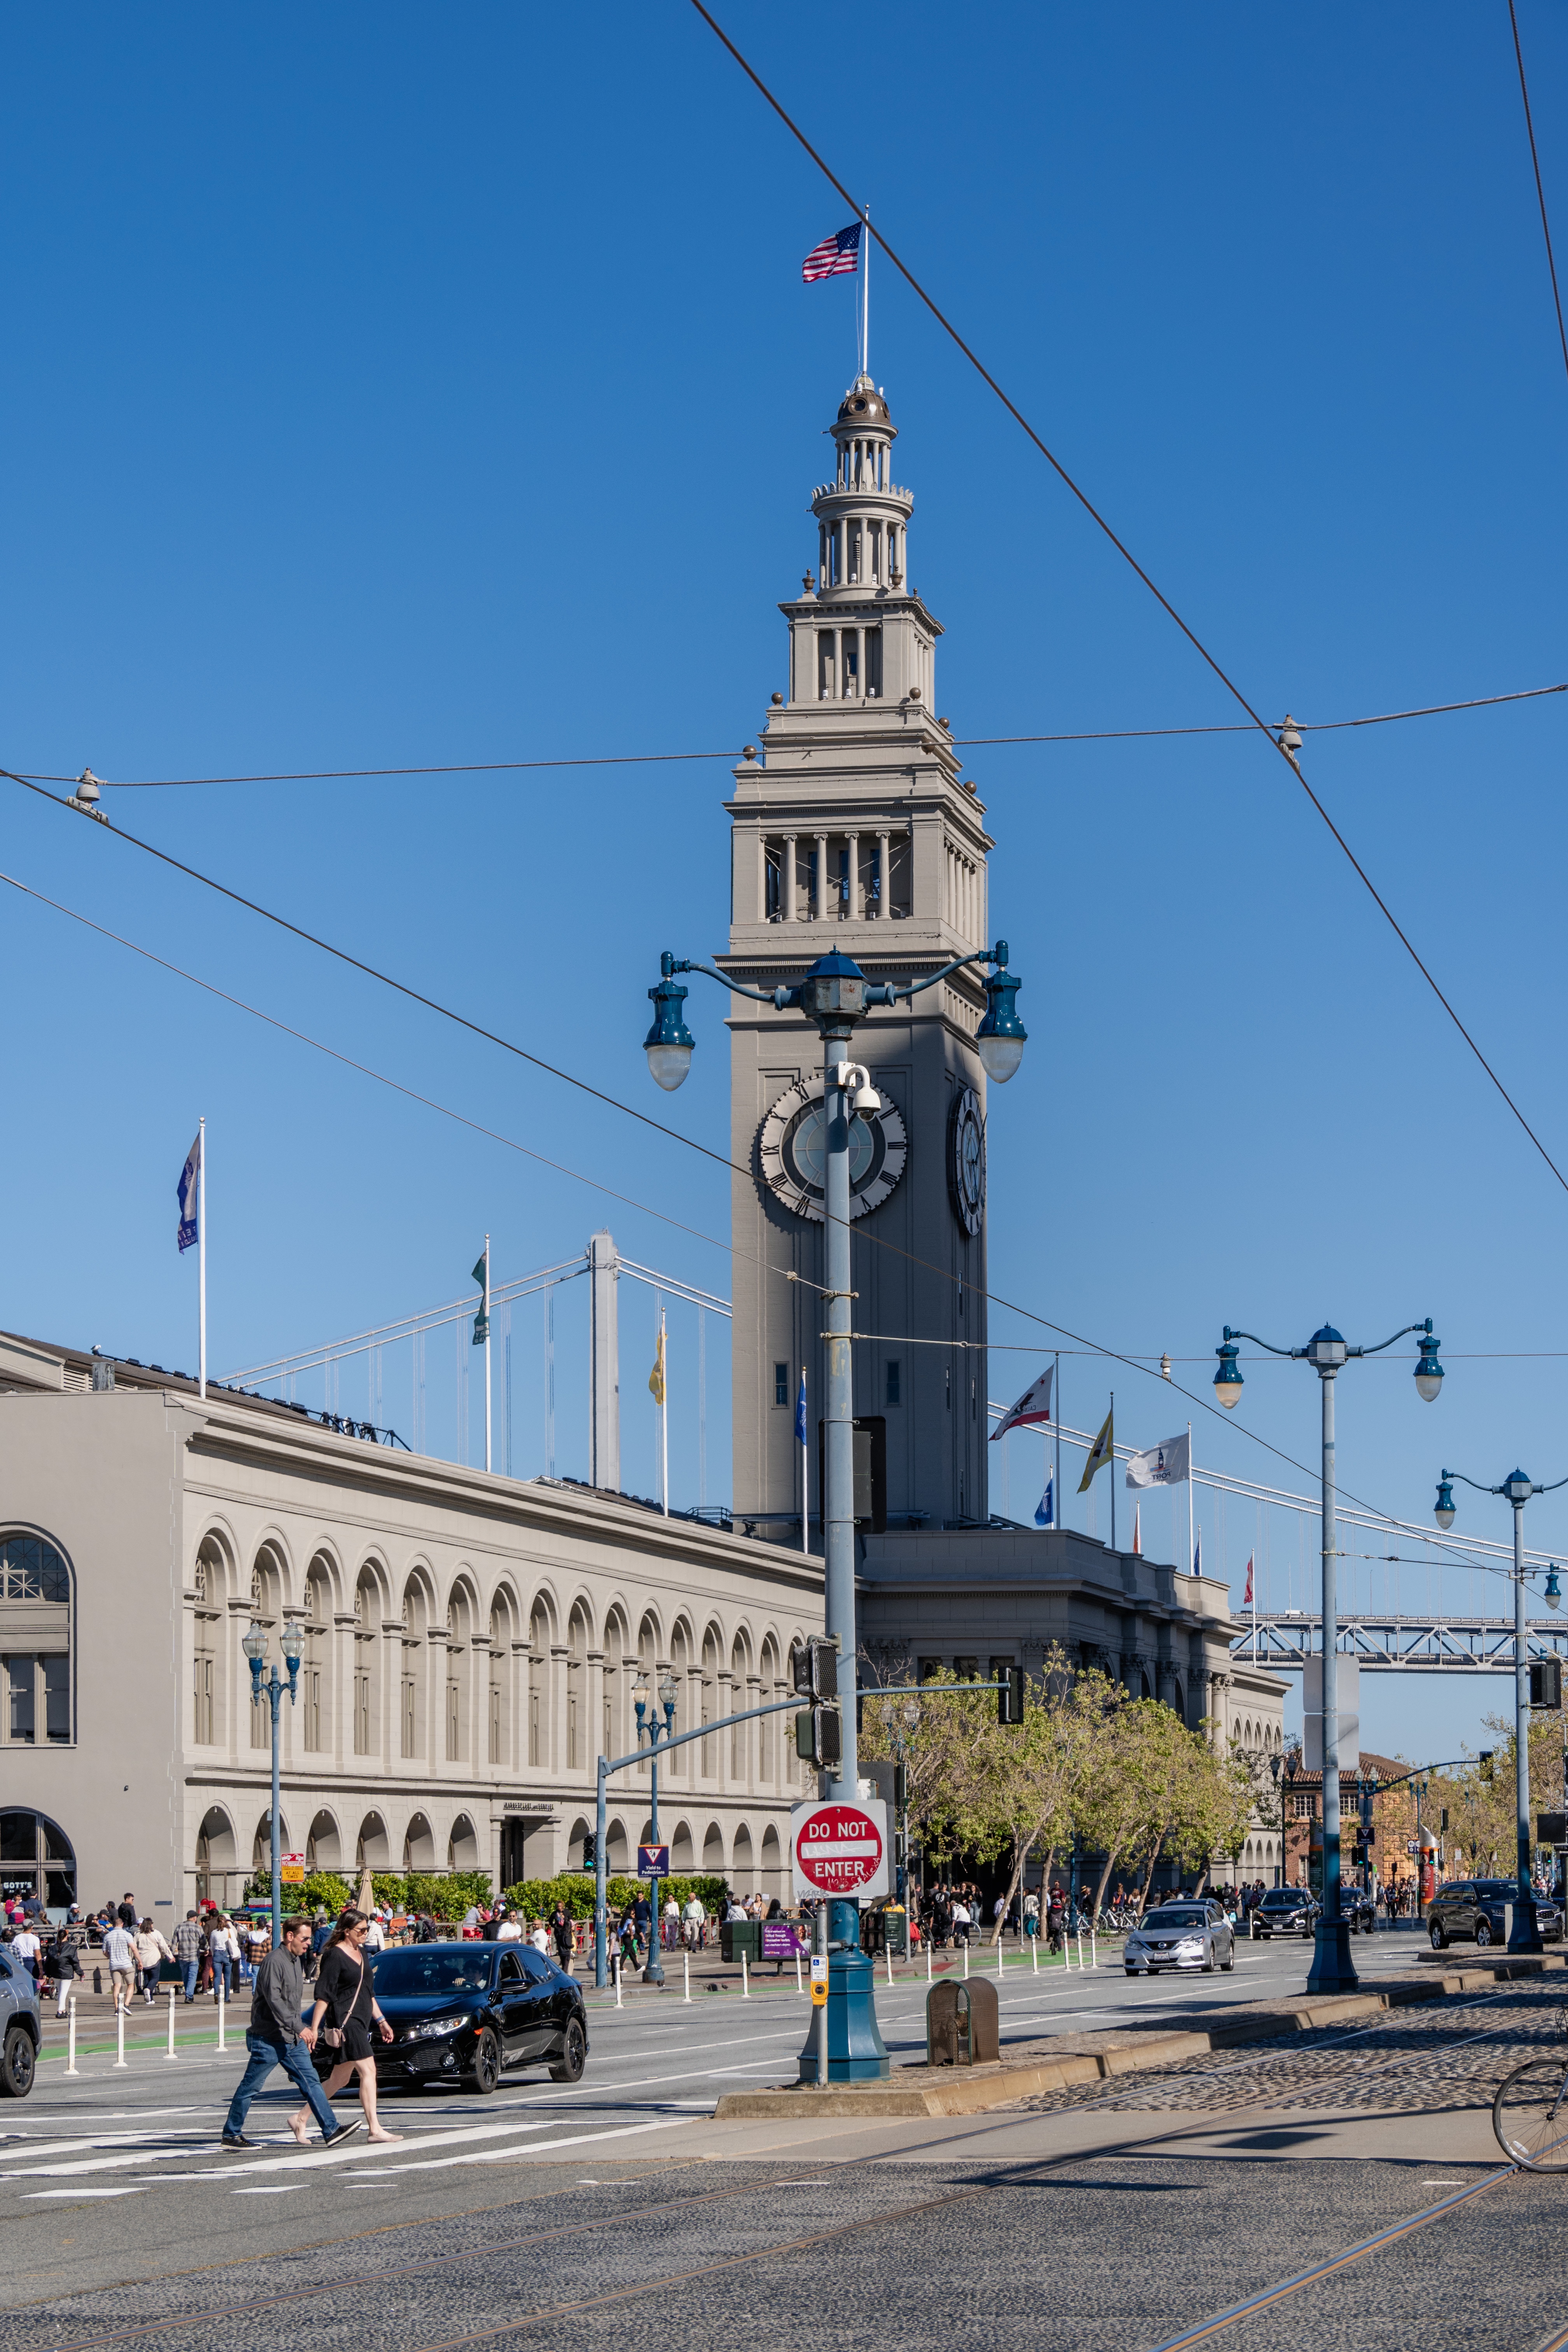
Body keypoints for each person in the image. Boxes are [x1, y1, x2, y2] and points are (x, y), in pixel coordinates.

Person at [222, 1914, 360, 2151]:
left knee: (312, 2083)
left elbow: (293, 2004)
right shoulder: (274, 1962)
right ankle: (231, 2134)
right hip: (268, 2038)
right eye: (305, 1939)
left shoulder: (296, 1961)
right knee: (251, 2087)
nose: (309, 1943)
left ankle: (331, 2129)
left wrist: (300, 2033)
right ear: (290, 1937)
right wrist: (301, 2029)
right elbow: (276, 2002)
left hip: (291, 2039)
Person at [287, 1907, 399, 2147]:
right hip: (344, 2023)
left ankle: (300, 2118)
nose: (365, 1933)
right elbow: (324, 1995)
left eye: (367, 1929)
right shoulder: (334, 1955)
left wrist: (381, 2021)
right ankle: (375, 2129)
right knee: (369, 2071)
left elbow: (368, 1993)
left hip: (360, 2020)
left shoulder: (363, 1954)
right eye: (361, 1930)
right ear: (347, 1931)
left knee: (340, 2078)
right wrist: (315, 2029)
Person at [135, 1917, 173, 2006]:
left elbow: (133, 1948)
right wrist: (170, 1956)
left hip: (143, 1960)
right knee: (155, 1978)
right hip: (154, 1959)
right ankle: (148, 1990)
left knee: (147, 1978)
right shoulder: (156, 1933)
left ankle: (150, 1999)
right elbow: (164, 1946)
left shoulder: (138, 1934)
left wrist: (136, 1961)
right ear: (151, 1924)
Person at [102, 1914, 137, 2011]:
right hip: (126, 1964)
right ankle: (126, 2004)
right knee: (131, 1984)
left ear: (113, 1925)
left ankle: (117, 2008)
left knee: (117, 1986)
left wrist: (111, 1957)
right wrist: (140, 1961)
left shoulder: (108, 1936)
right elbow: (134, 1949)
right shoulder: (127, 1935)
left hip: (114, 1964)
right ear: (122, 1925)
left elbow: (105, 1952)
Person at [46, 1927, 80, 2018]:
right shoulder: (71, 1948)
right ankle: (60, 2011)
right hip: (67, 1973)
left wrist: (47, 1973)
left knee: (61, 1992)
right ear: (67, 1936)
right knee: (63, 1993)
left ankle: (64, 2010)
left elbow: (48, 1962)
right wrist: (80, 1973)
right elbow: (75, 1962)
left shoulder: (52, 1948)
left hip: (56, 1973)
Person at [173, 1910, 203, 2002]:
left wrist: (173, 1953)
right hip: (194, 1956)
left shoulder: (179, 1927)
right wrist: (206, 1949)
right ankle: (189, 1995)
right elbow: (204, 1942)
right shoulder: (198, 1928)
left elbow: (174, 1942)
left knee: (186, 1976)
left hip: (182, 1956)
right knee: (192, 1977)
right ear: (194, 1918)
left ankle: (189, 1994)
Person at [552, 1904, 575, 1971]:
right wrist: (572, 1946)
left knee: (563, 1965)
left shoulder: (561, 1933)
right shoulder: (568, 1934)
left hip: (561, 1952)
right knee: (566, 1967)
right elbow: (567, 1943)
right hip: (566, 1953)